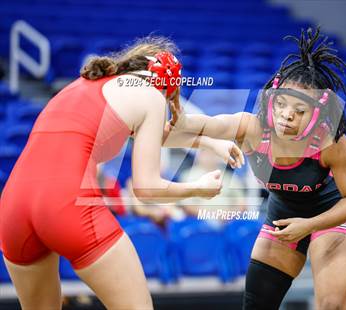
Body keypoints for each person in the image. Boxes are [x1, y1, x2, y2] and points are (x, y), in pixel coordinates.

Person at [0, 36, 244, 310]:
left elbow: (157, 134)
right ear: (168, 87)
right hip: (66, 203)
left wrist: (209, 142)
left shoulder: (84, 85)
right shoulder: (151, 95)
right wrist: (198, 188)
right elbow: (146, 187)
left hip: (13, 206)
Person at [169, 27, 346, 310]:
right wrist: (178, 117)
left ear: (316, 115)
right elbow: (199, 126)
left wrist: (309, 225)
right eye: (282, 104)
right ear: (270, 100)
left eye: (299, 111)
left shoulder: (330, 141)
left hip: (330, 215)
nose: (287, 115)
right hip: (284, 215)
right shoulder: (251, 128)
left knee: (332, 305)